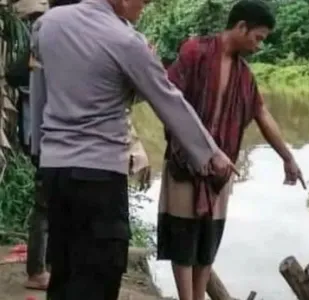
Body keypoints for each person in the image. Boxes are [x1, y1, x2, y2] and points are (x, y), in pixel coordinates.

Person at [29, 0, 236, 299]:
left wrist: (39, 148)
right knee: (99, 276)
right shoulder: (126, 41)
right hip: (99, 178)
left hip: (55, 172)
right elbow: (167, 100)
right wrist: (211, 154)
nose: (147, 6)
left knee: (65, 268)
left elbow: (43, 89)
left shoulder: (47, 25)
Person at [156, 1, 306, 300]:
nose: (259, 45)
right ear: (241, 27)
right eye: (258, 37)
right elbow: (166, 98)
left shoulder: (244, 74)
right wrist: (196, 149)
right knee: (183, 238)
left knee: (207, 241)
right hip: (184, 163)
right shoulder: (194, 52)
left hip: (221, 174)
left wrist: (288, 158)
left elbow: (262, 114)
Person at [5, 41, 49, 291]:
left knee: (48, 204)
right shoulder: (39, 52)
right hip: (43, 138)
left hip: (41, 137)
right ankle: (37, 270)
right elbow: (13, 74)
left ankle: (44, 265)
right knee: (44, 206)